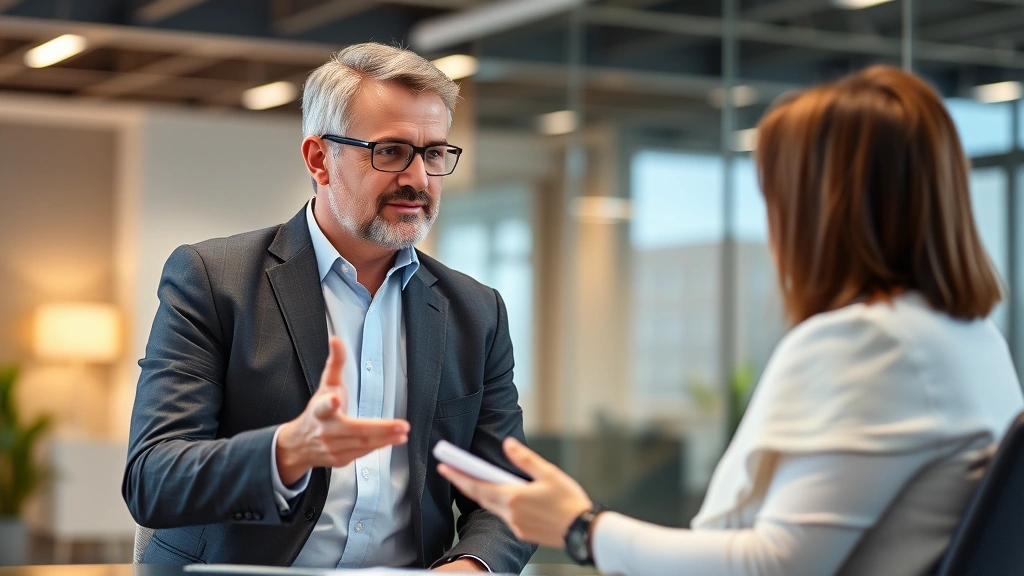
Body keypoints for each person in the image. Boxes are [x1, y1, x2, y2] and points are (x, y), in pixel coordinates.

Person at [439, 65, 1024, 575]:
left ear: (823, 211)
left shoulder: (868, 341)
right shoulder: (976, 341)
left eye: (778, 197)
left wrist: (580, 527)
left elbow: (771, 564)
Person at [123, 42, 535, 572]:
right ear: (319, 159)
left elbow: (507, 493)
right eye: (390, 151)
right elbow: (152, 480)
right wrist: (286, 452)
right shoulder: (211, 280)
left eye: (434, 153)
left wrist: (472, 566)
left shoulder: (476, 312)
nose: (418, 178)